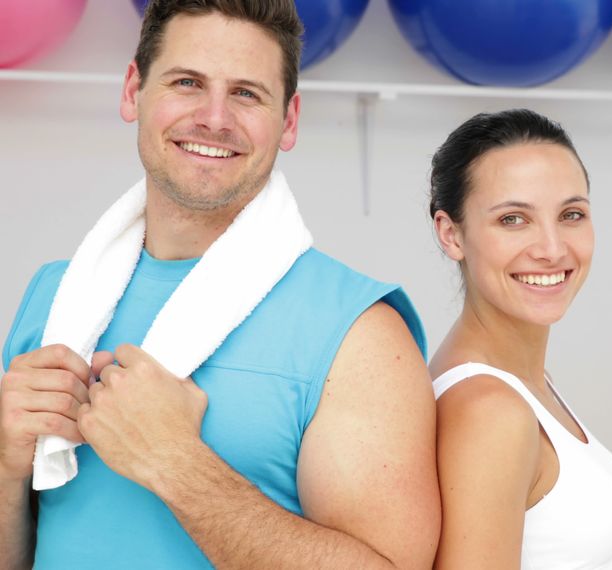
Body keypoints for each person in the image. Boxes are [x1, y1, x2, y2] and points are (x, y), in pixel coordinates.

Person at [0, 1, 440, 568]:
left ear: (289, 120)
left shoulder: (359, 332)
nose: (214, 118)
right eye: (187, 82)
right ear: (134, 91)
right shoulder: (57, 295)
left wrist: (177, 463)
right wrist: (7, 465)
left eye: (247, 93)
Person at [426, 109, 612, 569]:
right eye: (513, 220)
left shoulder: (520, 381)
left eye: (571, 214)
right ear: (451, 234)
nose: (553, 248)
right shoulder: (490, 412)